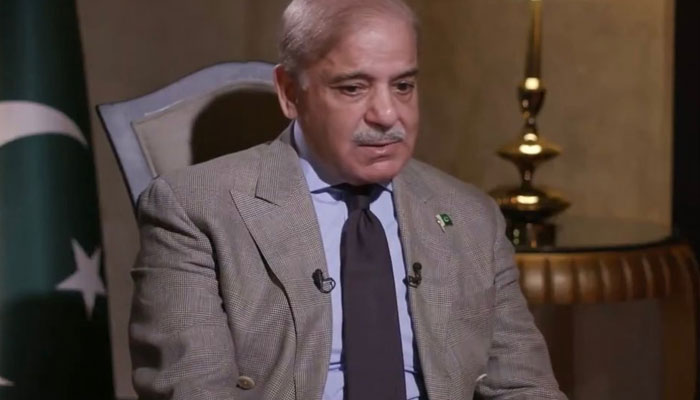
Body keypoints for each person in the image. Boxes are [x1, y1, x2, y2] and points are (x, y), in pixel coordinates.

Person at [129, 0, 567, 399]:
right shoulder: (194, 209)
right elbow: (193, 389)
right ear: (289, 93)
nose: (387, 115)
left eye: (403, 86)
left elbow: (524, 386)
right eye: (353, 88)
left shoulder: (471, 216)